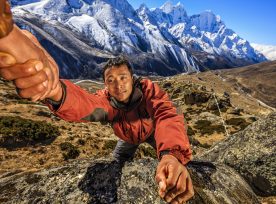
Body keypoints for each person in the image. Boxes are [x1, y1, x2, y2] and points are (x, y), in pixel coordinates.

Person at [0, 1, 194, 203]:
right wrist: (56, 92)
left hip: (153, 132)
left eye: (123, 78)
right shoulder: (107, 101)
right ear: (105, 85)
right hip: (128, 137)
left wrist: (171, 155)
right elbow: (86, 104)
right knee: (116, 163)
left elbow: (166, 115)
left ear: (133, 78)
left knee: (170, 159)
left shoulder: (148, 92)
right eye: (111, 81)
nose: (118, 85)